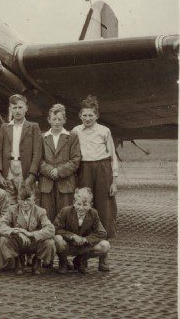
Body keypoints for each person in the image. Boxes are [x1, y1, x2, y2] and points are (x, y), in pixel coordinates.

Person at [72, 94, 117, 270]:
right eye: (85, 115)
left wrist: (114, 181)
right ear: (80, 116)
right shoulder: (75, 131)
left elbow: (112, 156)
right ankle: (83, 256)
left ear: (97, 116)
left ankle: (103, 257)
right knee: (84, 209)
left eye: (91, 115)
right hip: (85, 169)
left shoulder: (104, 131)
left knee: (104, 211)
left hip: (103, 170)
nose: (88, 118)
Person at [0, 184, 55, 275]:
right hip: (19, 242)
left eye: (28, 200)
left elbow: (51, 229)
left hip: (34, 241)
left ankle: (37, 260)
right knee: (3, 240)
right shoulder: (12, 210)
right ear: (18, 199)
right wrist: (17, 231)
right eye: (22, 200)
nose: (25, 203)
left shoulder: (40, 211)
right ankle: (18, 259)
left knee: (49, 242)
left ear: (34, 200)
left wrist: (31, 234)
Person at [53, 187, 110, 274]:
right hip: (69, 245)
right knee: (57, 239)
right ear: (73, 203)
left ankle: (80, 260)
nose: (81, 208)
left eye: (85, 205)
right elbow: (55, 228)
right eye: (78, 204)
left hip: (84, 246)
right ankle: (63, 262)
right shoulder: (65, 211)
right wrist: (72, 236)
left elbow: (102, 233)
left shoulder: (93, 214)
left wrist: (85, 239)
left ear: (90, 205)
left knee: (105, 245)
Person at [39, 104, 81, 221]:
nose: (57, 122)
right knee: (47, 215)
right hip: (47, 183)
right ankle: (48, 238)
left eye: (59, 119)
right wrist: (50, 171)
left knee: (65, 214)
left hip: (66, 183)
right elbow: (38, 159)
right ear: (49, 120)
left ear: (64, 120)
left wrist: (59, 171)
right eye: (54, 119)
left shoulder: (72, 137)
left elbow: (75, 160)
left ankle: (64, 238)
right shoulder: (42, 137)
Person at [0, 94, 43, 194]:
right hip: (8, 169)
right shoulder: (5, 127)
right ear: (10, 109)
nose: (17, 111)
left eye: (20, 107)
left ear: (26, 108)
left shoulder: (33, 127)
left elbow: (37, 153)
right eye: (14, 108)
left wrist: (32, 174)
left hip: (24, 169)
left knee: (25, 200)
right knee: (8, 202)